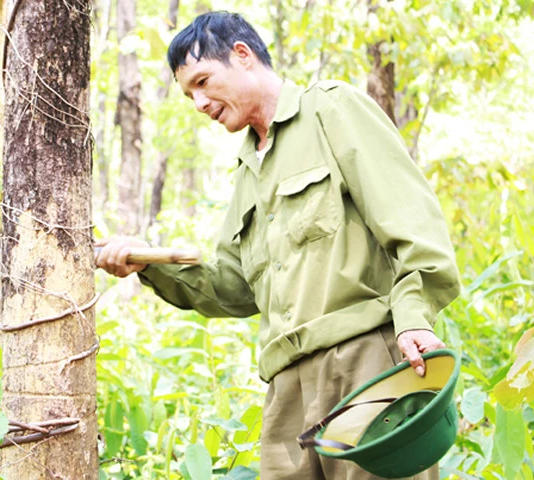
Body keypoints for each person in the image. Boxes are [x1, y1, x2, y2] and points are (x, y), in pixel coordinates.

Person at [96, 11, 461, 480]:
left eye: (203, 81)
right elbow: (231, 288)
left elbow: (415, 225)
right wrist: (146, 263)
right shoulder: (248, 172)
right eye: (190, 94)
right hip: (286, 392)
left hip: (363, 364)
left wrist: (415, 318)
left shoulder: (332, 109)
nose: (199, 102)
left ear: (243, 56)